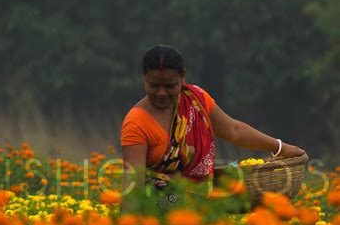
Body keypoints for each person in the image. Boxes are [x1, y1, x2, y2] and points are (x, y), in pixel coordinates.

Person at [120, 44, 306, 214]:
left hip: (201, 208)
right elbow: (133, 182)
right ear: (144, 78)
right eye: (154, 85)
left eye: (170, 86)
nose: (161, 93)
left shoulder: (196, 101)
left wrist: (280, 147)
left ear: (182, 77)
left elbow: (234, 130)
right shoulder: (136, 123)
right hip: (154, 213)